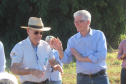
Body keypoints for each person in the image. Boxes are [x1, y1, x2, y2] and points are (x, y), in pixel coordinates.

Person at [51, 10, 109, 84]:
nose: (76, 24)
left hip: (100, 78)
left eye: (79, 22)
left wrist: (81, 58)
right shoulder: (72, 40)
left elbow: (102, 55)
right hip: (82, 79)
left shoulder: (99, 35)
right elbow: (66, 60)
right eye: (75, 22)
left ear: (88, 22)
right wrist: (59, 49)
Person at [10, 17, 63, 84]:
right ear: (28, 31)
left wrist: (56, 65)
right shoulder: (19, 47)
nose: (38, 35)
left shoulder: (46, 46)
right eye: (36, 32)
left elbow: (53, 61)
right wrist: (29, 71)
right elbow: (14, 69)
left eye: (41, 33)